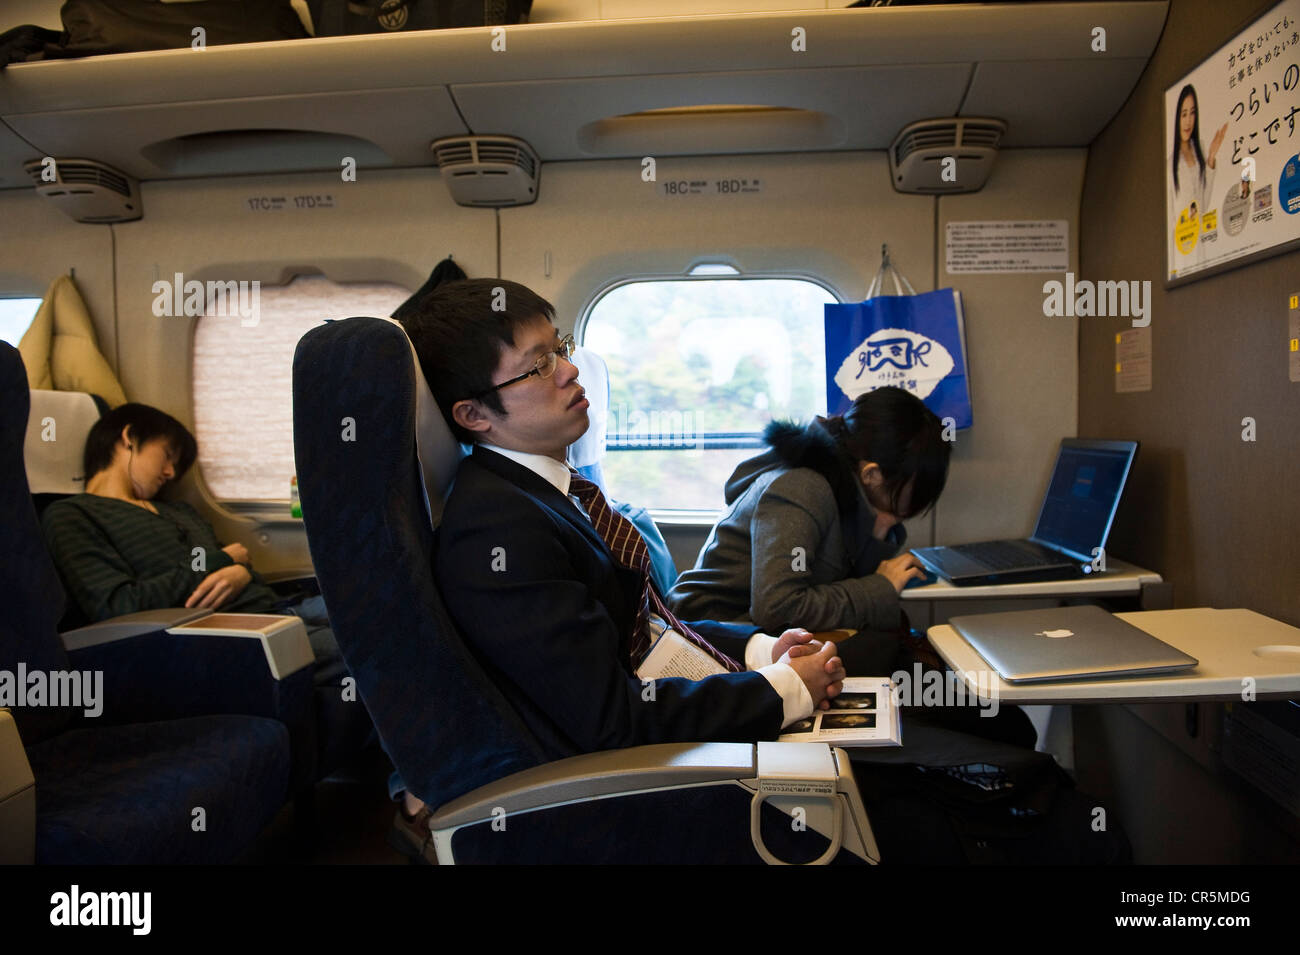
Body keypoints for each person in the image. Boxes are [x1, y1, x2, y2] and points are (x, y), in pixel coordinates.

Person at [395, 279, 1127, 864]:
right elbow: (612, 720)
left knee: (996, 772)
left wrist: (755, 651)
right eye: (538, 364)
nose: (570, 369)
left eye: (561, 346)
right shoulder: (498, 526)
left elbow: (652, 626)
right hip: (657, 786)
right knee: (1007, 808)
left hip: (697, 706)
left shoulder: (552, 494)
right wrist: (779, 692)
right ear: (474, 414)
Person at [40, 402, 345, 686]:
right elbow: (118, 606)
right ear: (129, 437)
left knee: (382, 608)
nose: (171, 473)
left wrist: (241, 573)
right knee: (380, 648)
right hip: (237, 633)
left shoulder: (179, 511)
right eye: (168, 455)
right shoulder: (72, 515)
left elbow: (236, 563)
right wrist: (223, 563)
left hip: (280, 607)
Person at [667, 388, 946, 663]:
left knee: (893, 641)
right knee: (885, 652)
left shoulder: (847, 492)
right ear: (871, 474)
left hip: (752, 625)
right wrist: (881, 586)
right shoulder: (802, 489)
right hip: (714, 630)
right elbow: (779, 607)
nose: (906, 514)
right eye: (908, 497)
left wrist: (879, 533)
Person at [1168, 84, 1227, 269]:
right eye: (1183, 114)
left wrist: (1210, 158)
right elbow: (1171, 219)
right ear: (1177, 117)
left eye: (1192, 113)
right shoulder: (1170, 164)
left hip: (1202, 245)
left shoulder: (1199, 151)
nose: (1188, 121)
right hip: (1182, 250)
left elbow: (1204, 202)